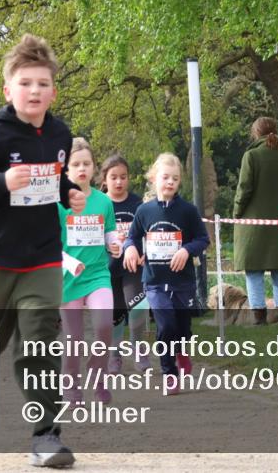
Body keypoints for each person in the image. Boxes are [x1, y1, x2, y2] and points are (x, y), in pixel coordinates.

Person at [0, 33, 85, 468]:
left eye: (42, 83)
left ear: (53, 91)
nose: (34, 91)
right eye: (25, 83)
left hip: (43, 256)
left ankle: (46, 436)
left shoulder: (60, 133)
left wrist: (69, 194)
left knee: (40, 342)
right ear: (9, 90)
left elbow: (53, 181)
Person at [123, 153, 209, 393]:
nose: (170, 182)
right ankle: (169, 372)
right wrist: (130, 249)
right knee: (166, 325)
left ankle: (181, 351)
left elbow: (203, 239)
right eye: (165, 177)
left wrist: (186, 250)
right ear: (154, 179)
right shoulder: (144, 211)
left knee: (182, 327)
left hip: (182, 282)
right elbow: (132, 236)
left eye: (175, 178)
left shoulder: (188, 211)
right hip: (154, 282)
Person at [58, 138, 119, 405]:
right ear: (65, 169)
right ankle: (70, 386)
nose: (82, 168)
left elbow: (109, 233)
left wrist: (115, 244)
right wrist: (70, 263)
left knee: (104, 326)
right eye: (76, 164)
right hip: (68, 279)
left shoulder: (104, 202)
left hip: (97, 275)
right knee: (74, 338)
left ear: (94, 167)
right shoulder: (59, 204)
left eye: (86, 163)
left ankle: (99, 376)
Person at [233, 117, 278, 325]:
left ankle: (259, 318)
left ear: (256, 134)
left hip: (252, 226)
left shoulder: (251, 156)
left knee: (254, 272)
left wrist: (237, 211)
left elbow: (244, 189)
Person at [100, 154, 150, 373]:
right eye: (113, 177)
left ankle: (140, 350)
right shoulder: (100, 203)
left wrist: (146, 252)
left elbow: (149, 231)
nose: (119, 182)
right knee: (115, 312)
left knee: (138, 306)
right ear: (105, 180)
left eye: (123, 177)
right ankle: (115, 355)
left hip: (133, 267)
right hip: (107, 268)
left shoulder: (138, 204)